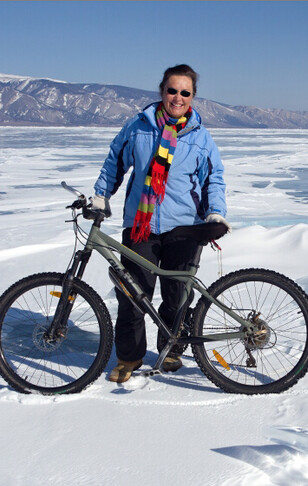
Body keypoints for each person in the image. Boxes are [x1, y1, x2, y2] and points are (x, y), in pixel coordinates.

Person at [92, 64, 231, 383]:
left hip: (184, 228)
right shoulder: (138, 127)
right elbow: (116, 160)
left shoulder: (200, 137)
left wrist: (215, 211)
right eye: (172, 90)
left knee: (177, 296)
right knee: (132, 295)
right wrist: (102, 194)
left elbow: (214, 179)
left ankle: (171, 349)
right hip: (142, 226)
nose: (178, 97)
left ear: (192, 97)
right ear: (162, 91)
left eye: (185, 92)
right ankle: (129, 357)